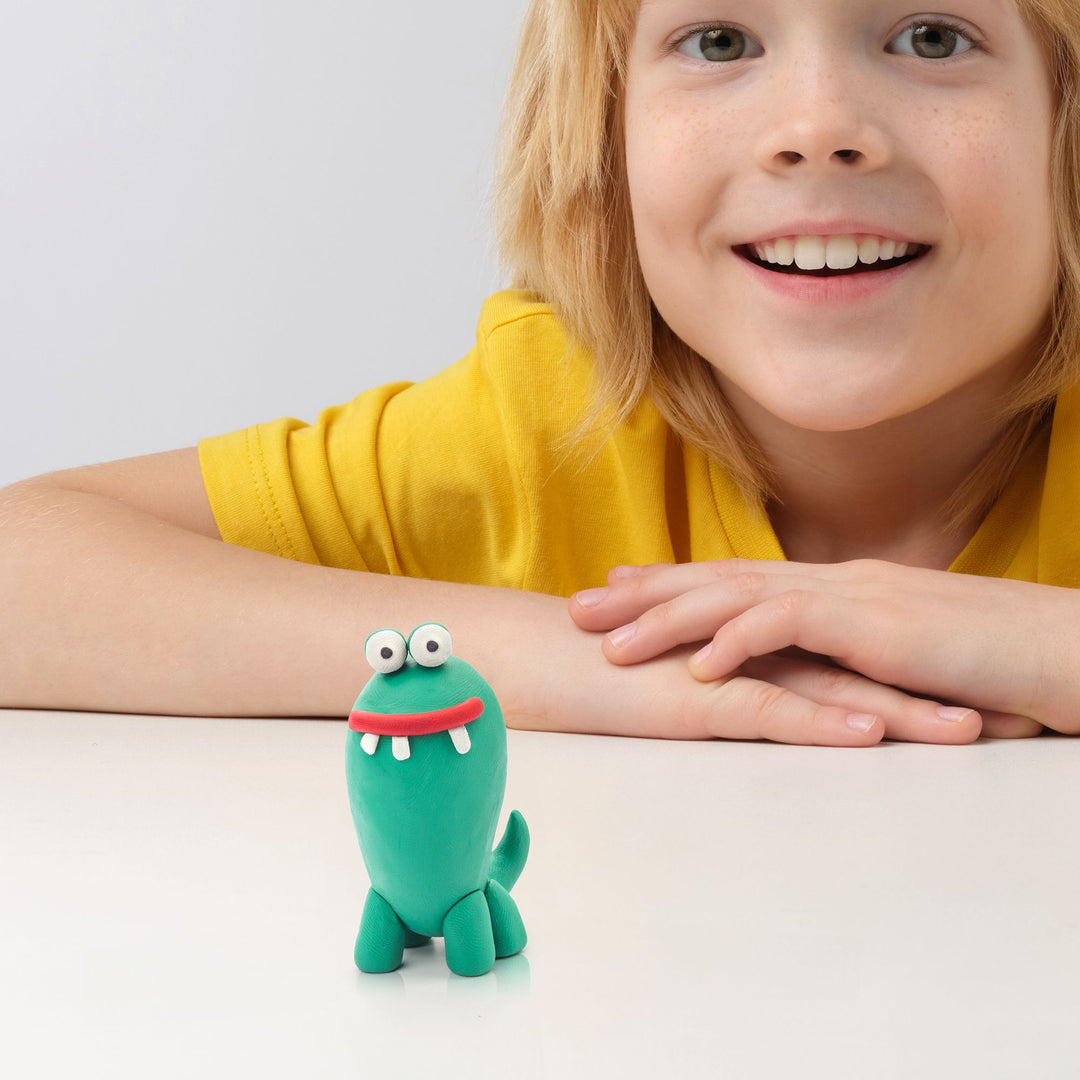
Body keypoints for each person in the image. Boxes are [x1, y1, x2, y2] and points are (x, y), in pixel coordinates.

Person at [2, 0, 1078, 746]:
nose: (816, 130)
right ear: (602, 136)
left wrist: (1040, 642)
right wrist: (542, 662)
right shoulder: (553, 420)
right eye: (717, 38)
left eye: (934, 35)